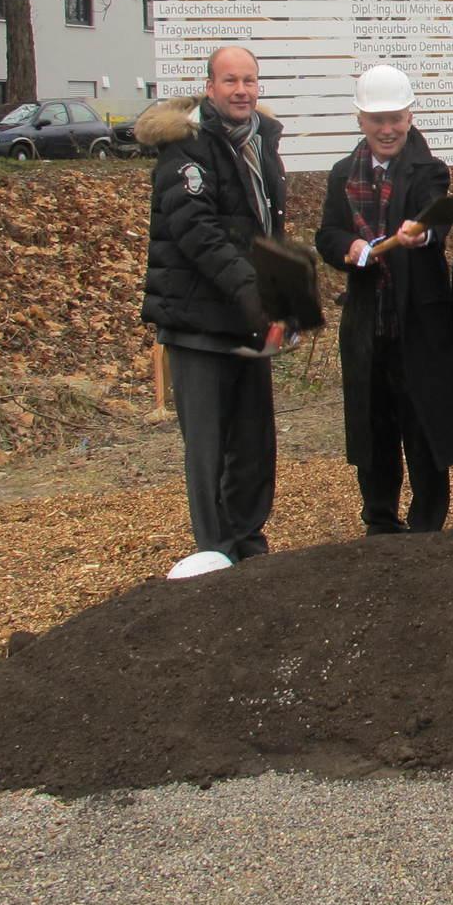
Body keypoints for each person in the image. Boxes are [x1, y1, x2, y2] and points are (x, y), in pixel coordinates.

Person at [138, 45, 287, 564]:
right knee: (208, 451)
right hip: (197, 322)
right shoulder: (186, 148)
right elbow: (197, 233)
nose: (241, 91)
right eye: (230, 81)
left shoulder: (261, 143)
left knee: (253, 445)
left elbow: (266, 229)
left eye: (249, 80)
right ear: (209, 87)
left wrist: (282, 294)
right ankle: (217, 554)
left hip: (248, 320)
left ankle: (250, 545)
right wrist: (255, 292)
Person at [314, 65, 453, 534]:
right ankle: (380, 522)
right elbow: (327, 233)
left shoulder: (429, 170)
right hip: (368, 324)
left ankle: (427, 526)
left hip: (417, 325)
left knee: (424, 428)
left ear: (409, 117)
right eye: (377, 120)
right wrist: (349, 246)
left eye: (395, 119)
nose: (387, 129)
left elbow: (435, 218)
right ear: (361, 120)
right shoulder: (343, 174)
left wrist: (421, 233)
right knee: (373, 429)